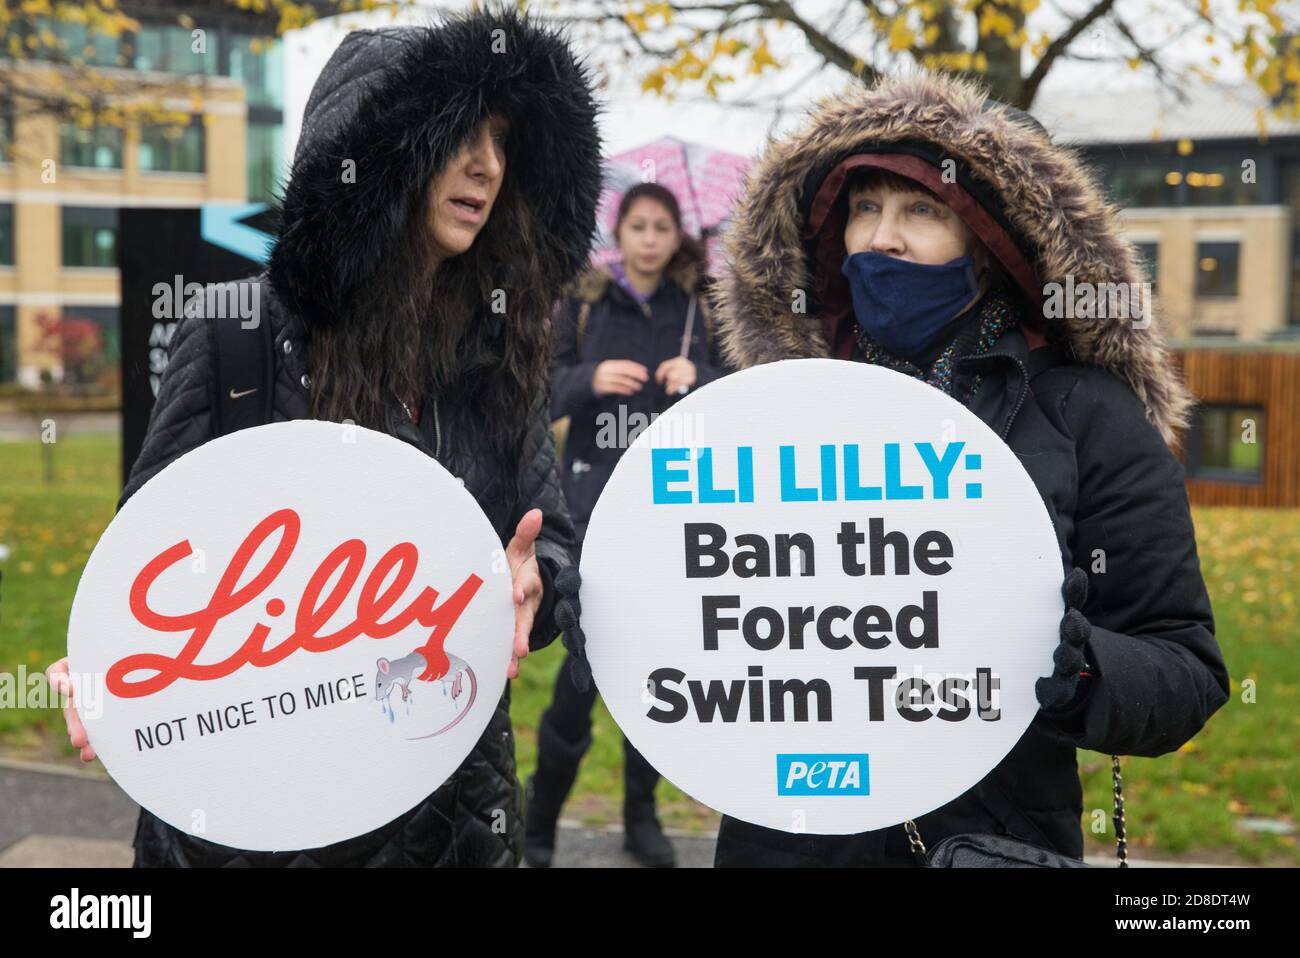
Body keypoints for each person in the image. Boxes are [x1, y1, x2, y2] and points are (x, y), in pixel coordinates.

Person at [46, 8, 603, 867]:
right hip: (262, 802)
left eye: (501, 139)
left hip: (450, 801)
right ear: (375, 155)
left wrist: (538, 583)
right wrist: (110, 659)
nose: (487, 166)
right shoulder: (239, 333)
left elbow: (549, 537)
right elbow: (152, 557)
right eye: (459, 134)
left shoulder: (504, 339)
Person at [709, 72, 1231, 866]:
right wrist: (629, 599)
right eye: (864, 207)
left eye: (922, 209)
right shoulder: (783, 410)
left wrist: (1087, 671)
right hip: (788, 839)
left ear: (991, 245)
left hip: (988, 840)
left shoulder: (1085, 413)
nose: (883, 238)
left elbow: (1185, 664)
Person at [525, 182, 730, 868]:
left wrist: (696, 373)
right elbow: (540, 389)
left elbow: (738, 394)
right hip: (594, 510)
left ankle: (643, 817)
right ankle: (541, 819)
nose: (649, 238)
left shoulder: (701, 310)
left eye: (661, 227)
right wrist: (589, 379)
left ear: (677, 236)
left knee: (661, 670)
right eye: (637, 225)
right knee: (581, 674)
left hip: (676, 515)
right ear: (619, 234)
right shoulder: (581, 305)